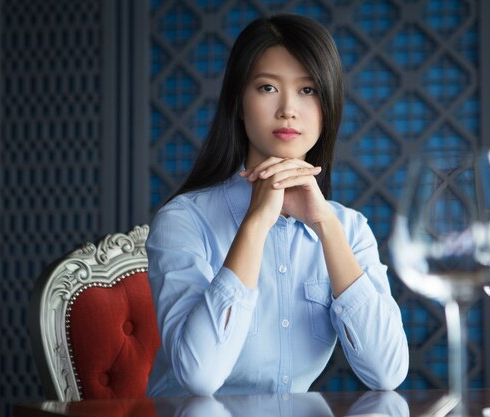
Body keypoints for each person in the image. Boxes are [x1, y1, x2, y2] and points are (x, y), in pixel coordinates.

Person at [146, 13, 409, 397]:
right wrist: (255, 224)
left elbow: (387, 373)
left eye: (308, 90)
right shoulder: (184, 221)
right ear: (239, 103)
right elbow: (199, 377)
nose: (288, 108)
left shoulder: (349, 229)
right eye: (267, 87)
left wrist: (325, 224)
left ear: (328, 107)